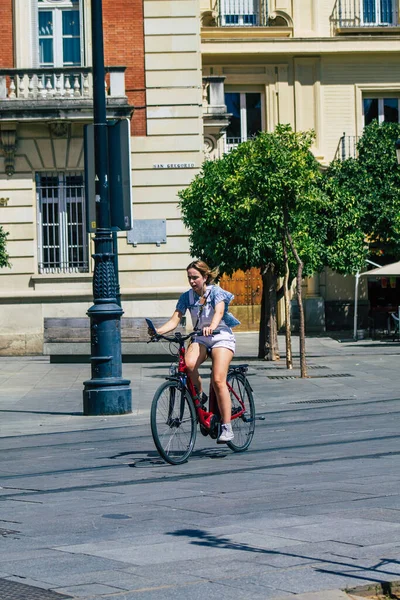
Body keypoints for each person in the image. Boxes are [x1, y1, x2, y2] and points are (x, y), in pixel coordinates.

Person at [149, 260, 240, 443]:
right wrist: (158, 331)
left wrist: (212, 326)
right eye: (189, 277)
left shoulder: (216, 292)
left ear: (205, 277)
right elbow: (175, 320)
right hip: (200, 338)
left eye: (195, 277)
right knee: (188, 365)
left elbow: (219, 312)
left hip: (221, 336)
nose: (191, 281)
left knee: (217, 379)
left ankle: (227, 427)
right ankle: (199, 393)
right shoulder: (187, 297)